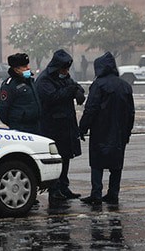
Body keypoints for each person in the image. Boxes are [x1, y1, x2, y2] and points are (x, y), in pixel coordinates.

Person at [79, 51, 135, 205]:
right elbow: (131, 112)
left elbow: (91, 109)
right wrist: (127, 132)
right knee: (116, 165)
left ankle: (96, 193)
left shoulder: (98, 85)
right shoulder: (125, 86)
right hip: (119, 131)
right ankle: (113, 193)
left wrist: (83, 127)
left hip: (100, 130)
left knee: (97, 163)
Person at [35, 49, 85, 203]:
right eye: (64, 69)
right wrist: (70, 90)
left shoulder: (64, 77)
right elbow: (52, 97)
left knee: (66, 157)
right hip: (52, 126)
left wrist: (78, 91)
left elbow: (74, 86)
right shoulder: (44, 80)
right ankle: (54, 189)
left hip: (66, 124)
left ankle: (63, 186)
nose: (66, 72)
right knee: (56, 159)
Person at [0, 53, 41, 134]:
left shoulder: (29, 82)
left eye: (27, 65)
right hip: (21, 129)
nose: (28, 68)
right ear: (16, 70)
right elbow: (2, 109)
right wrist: (14, 123)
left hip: (35, 127)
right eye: (24, 67)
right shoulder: (9, 85)